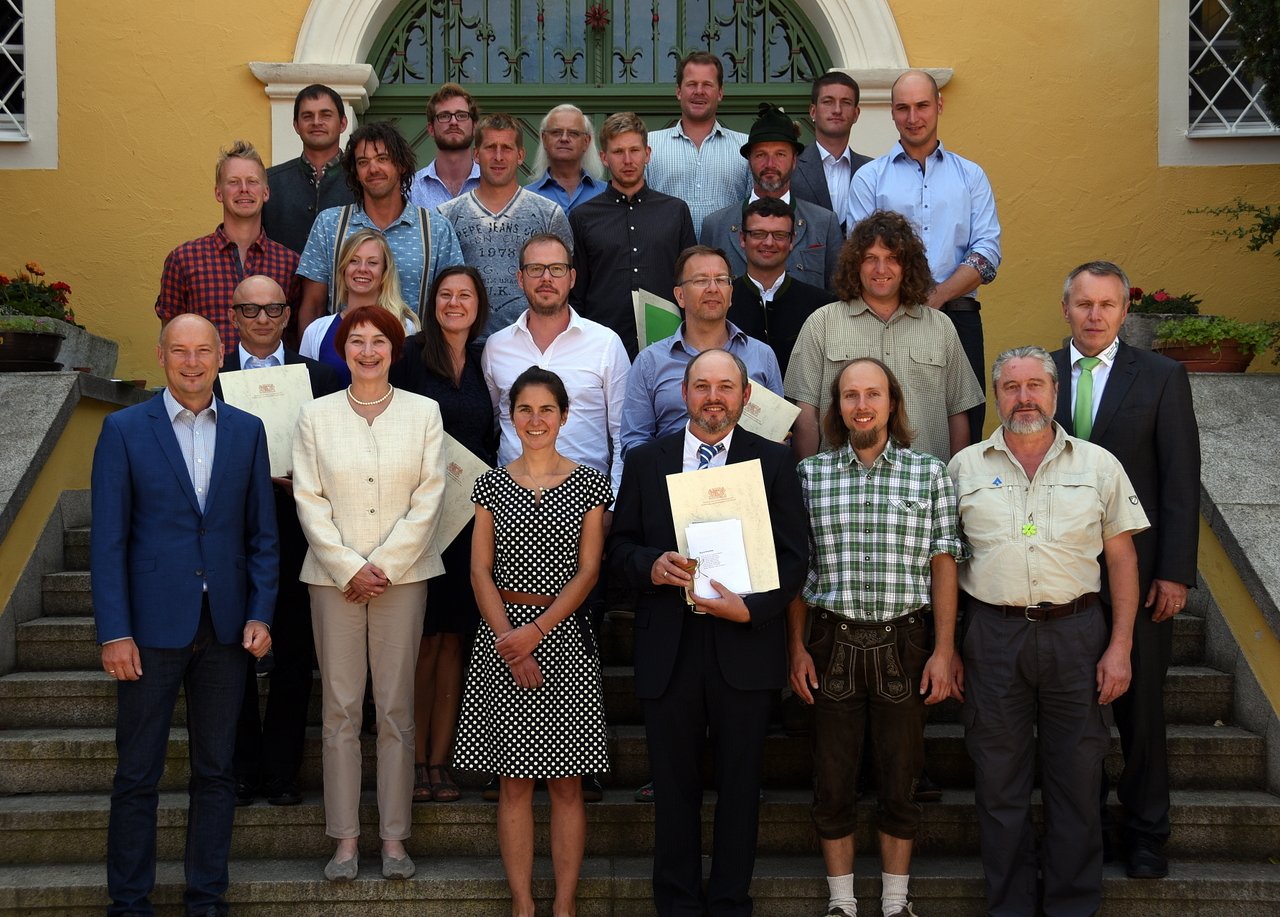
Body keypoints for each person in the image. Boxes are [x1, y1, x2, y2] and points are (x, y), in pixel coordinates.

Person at [607, 348, 808, 916]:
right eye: (702, 386)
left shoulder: (773, 461)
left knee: (740, 788)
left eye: (726, 386)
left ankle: (727, 903)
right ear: (683, 394)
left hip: (744, 646)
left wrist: (754, 612)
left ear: (746, 396)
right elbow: (618, 548)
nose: (713, 396)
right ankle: (675, 904)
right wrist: (649, 564)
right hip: (669, 648)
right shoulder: (648, 461)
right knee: (673, 790)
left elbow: (796, 561)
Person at [948, 345, 1148, 917]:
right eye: (1011, 387)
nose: (1024, 397)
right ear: (996, 395)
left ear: (1055, 393)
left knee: (1078, 784)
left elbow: (1123, 562)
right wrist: (950, 646)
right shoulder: (964, 468)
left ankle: (1072, 907)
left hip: (1078, 634)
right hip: (992, 635)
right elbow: (944, 565)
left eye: (1036, 385)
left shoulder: (1098, 465)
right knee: (999, 784)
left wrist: (1121, 646)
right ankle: (1009, 907)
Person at [91, 313, 278, 916]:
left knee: (217, 773)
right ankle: (129, 903)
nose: (192, 362)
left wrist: (260, 612)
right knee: (137, 775)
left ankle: (206, 899)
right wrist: (114, 630)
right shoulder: (123, 430)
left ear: (222, 355)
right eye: (180, 351)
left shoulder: (249, 432)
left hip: (226, 629)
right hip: (148, 630)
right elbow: (109, 541)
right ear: (162, 355)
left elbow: (262, 537)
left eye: (203, 351)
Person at [788, 358, 963, 917]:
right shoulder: (809, 476)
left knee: (900, 779)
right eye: (849, 396)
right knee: (833, 780)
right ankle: (842, 904)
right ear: (837, 406)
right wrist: (795, 648)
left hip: (906, 644)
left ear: (893, 403)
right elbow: (796, 572)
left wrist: (943, 649)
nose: (861, 405)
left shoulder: (930, 474)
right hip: (830, 642)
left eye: (873, 395)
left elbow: (944, 566)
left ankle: (894, 903)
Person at [1050, 260, 1201, 879]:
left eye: (1107, 305)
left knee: (1139, 707)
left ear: (1124, 312)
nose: (1094, 316)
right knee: (1066, 710)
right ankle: (1080, 826)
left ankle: (1145, 831)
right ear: (1066, 309)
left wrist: (1176, 572)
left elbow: (1180, 478)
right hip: (1059, 575)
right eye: (1083, 304)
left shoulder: (1163, 376)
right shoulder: (1038, 374)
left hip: (1138, 575)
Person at [291, 305, 447, 882]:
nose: (366, 351)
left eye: (378, 341)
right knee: (340, 708)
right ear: (341, 349)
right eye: (354, 341)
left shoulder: (424, 413)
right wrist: (347, 567)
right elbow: (309, 498)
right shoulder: (315, 416)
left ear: (394, 348)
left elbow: (430, 497)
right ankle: (347, 841)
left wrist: (380, 565)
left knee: (397, 709)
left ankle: (395, 838)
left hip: (402, 579)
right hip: (332, 581)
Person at [453, 366, 612, 917]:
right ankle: (522, 903)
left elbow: (589, 571)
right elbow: (479, 573)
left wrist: (535, 634)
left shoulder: (590, 482)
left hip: (563, 641)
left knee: (566, 786)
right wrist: (509, 640)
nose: (536, 419)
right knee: (513, 784)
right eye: (525, 409)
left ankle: (564, 905)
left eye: (547, 410)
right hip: (501, 639)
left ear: (565, 417)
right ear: (511, 416)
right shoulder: (491, 485)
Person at [217, 275, 341, 809]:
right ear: (235, 315)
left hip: (296, 529)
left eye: (273, 310)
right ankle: (243, 769)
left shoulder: (318, 377)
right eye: (251, 310)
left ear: (288, 316)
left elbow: (339, 450)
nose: (263, 320)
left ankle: (283, 770)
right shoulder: (212, 379)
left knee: (294, 652)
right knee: (232, 652)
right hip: (228, 533)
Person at [389, 265, 498, 804]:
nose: (455, 303)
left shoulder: (486, 363)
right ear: (432, 303)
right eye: (446, 295)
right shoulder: (408, 356)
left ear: (479, 305)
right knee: (419, 642)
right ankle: (408, 762)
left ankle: (440, 761)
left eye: (466, 296)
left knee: (455, 640)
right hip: (417, 518)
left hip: (472, 521)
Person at [849, 69, 1002, 443]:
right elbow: (860, 253)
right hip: (886, 318)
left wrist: (939, 295)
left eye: (922, 106)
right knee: (885, 415)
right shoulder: (870, 178)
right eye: (903, 108)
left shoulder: (971, 176)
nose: (913, 118)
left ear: (939, 105)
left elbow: (988, 253)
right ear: (891, 112)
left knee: (964, 419)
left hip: (958, 315)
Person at [786, 209, 983, 463]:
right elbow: (805, 413)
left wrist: (953, 483)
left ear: (908, 265)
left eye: (892, 258)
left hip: (923, 487)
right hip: (841, 488)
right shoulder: (821, 324)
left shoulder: (941, 327)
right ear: (855, 264)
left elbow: (957, 413)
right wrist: (807, 484)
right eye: (870, 258)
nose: (881, 268)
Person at [481, 232, 630, 499]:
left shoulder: (606, 343)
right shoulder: (496, 347)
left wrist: (614, 505)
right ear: (520, 278)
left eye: (557, 269)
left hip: (587, 501)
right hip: (511, 502)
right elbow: (492, 425)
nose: (546, 278)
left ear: (572, 278)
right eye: (535, 269)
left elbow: (624, 435)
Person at [297, 121, 464, 333]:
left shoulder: (436, 229)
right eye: (363, 162)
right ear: (355, 172)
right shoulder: (329, 225)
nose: (373, 169)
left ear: (401, 165)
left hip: (414, 358)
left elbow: (453, 305)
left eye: (383, 159)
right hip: (343, 358)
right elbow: (312, 306)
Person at [621, 244, 782, 457]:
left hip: (747, 480)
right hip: (671, 479)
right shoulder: (650, 362)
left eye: (722, 280)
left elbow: (778, 436)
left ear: (731, 293)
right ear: (679, 295)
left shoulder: (762, 356)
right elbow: (635, 441)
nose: (713, 289)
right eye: (701, 280)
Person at [568, 111, 696, 357]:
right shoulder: (583, 217)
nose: (627, 160)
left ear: (647, 153)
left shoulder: (675, 211)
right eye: (618, 152)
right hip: (601, 347)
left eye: (634, 150)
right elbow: (576, 292)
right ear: (604, 157)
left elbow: (691, 282)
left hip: (669, 346)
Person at [438, 113, 574, 335]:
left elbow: (564, 283)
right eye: (490, 147)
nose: (498, 156)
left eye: (507, 148)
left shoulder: (549, 214)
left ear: (520, 155)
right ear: (476, 155)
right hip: (464, 343)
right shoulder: (447, 215)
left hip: (530, 342)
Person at [156, 140, 300, 348]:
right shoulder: (184, 260)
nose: (244, 189)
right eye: (233, 182)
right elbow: (172, 338)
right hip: (209, 379)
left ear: (266, 192)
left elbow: (293, 338)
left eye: (252, 181)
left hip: (270, 380)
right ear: (218, 193)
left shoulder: (289, 264)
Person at [700, 103, 844, 292]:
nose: (770, 163)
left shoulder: (823, 223)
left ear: (794, 161)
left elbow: (837, 295)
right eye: (761, 155)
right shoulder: (716, 225)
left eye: (780, 154)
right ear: (749, 160)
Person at [645, 51, 751, 239]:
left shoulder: (745, 147)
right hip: (667, 261)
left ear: (720, 93)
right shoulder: (650, 145)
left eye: (707, 85)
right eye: (691, 84)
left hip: (728, 261)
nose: (699, 91)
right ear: (679, 91)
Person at [726, 196, 834, 377]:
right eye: (758, 234)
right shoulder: (723, 300)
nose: (768, 243)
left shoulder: (820, 305)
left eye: (779, 235)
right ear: (743, 239)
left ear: (792, 241)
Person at [300, 228, 419, 386]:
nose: (362, 268)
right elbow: (306, 392)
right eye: (354, 260)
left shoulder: (404, 328)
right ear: (343, 269)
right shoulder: (316, 331)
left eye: (372, 262)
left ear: (384, 272)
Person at [262, 84, 355, 257]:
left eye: (326, 115)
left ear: (343, 123)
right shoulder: (269, 182)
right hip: (281, 283)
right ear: (296, 125)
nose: (316, 122)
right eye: (307, 116)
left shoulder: (361, 180)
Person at [791, 71, 872, 226]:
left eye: (846, 102)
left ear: (856, 114)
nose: (837, 110)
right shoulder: (792, 166)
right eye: (828, 102)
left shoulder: (872, 170)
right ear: (813, 111)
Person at [409, 82, 482, 210]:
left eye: (461, 115)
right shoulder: (411, 189)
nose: (453, 122)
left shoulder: (491, 183)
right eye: (444, 116)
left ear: (474, 127)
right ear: (431, 129)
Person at [527, 103, 607, 215]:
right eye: (556, 132)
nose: (564, 138)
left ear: (586, 142)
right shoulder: (526, 197)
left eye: (573, 133)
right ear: (544, 139)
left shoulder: (607, 194)